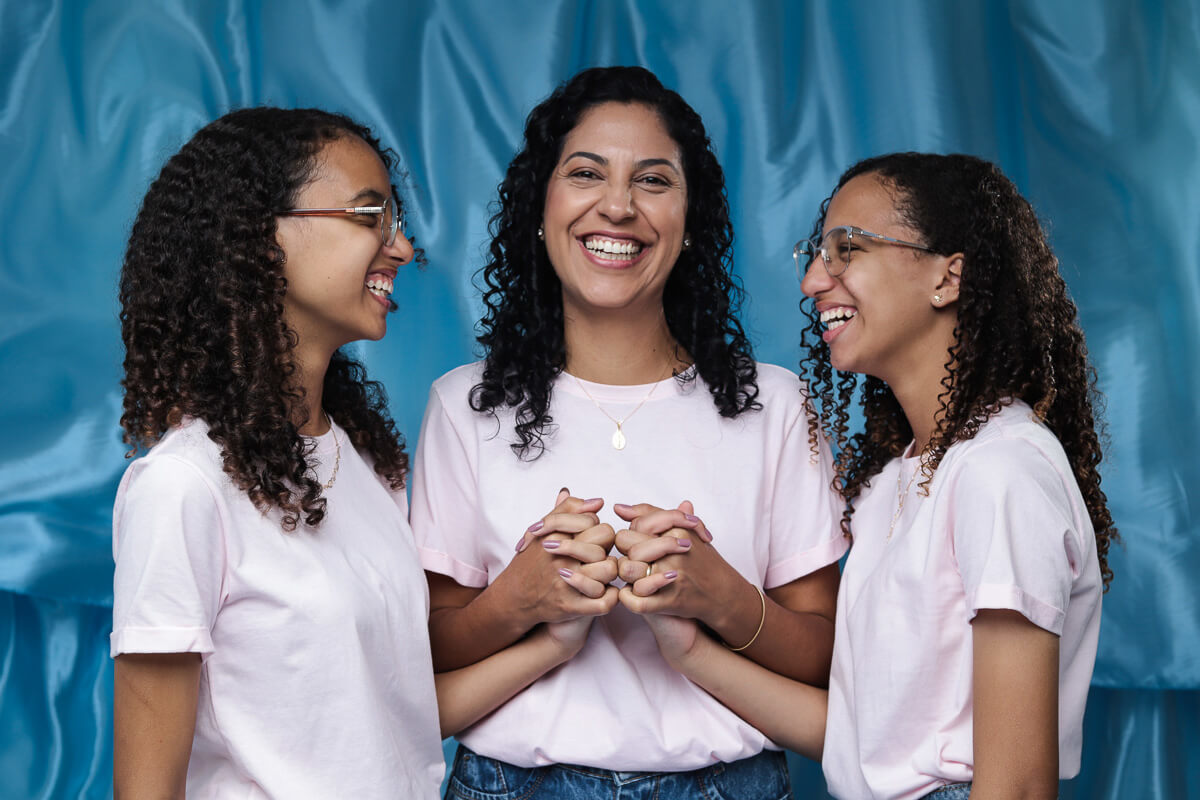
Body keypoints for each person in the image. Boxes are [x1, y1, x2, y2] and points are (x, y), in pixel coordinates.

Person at [111, 107, 581, 799]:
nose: (402, 248)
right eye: (371, 217)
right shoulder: (182, 487)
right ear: (258, 238)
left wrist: (556, 640)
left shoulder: (364, 462)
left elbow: (389, 727)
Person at [409, 66, 846, 799]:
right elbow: (424, 653)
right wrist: (517, 601)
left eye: (652, 180)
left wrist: (720, 598)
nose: (617, 207)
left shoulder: (775, 404)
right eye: (586, 173)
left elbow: (824, 659)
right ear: (540, 205)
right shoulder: (464, 406)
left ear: (689, 218)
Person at [646, 152, 1116, 800]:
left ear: (948, 277)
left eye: (848, 249)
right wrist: (687, 649)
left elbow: (1018, 784)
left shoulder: (999, 471)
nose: (814, 279)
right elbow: (865, 742)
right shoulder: (895, 484)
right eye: (815, 254)